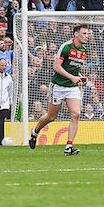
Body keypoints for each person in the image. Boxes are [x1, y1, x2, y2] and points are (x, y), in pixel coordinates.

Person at [29, 24, 90, 155]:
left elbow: (74, 69)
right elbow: (56, 67)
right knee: (51, 116)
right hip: (58, 86)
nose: (87, 36)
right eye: (84, 33)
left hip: (72, 87)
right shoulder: (66, 47)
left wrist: (80, 78)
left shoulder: (83, 50)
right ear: (76, 34)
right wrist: (72, 77)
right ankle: (35, 131)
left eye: (87, 33)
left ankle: (69, 146)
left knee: (76, 114)